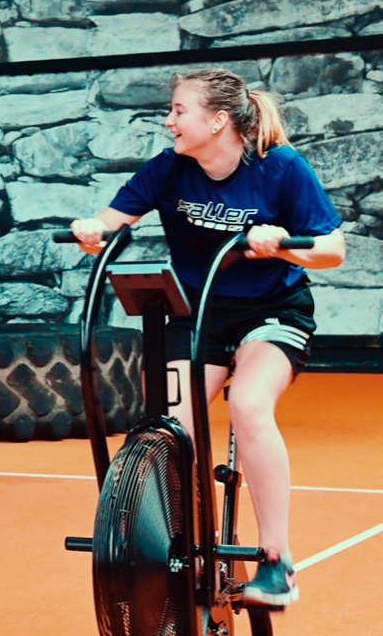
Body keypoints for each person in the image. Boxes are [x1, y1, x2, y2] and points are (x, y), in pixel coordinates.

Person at [69, 68, 345, 608]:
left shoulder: (278, 166)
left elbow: (333, 250)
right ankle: (182, 545)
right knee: (169, 429)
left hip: (272, 310)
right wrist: (91, 231)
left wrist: (282, 244)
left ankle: (276, 563)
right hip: (199, 315)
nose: (168, 121)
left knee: (247, 404)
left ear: (218, 120)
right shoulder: (168, 170)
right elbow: (108, 223)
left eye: (178, 110)